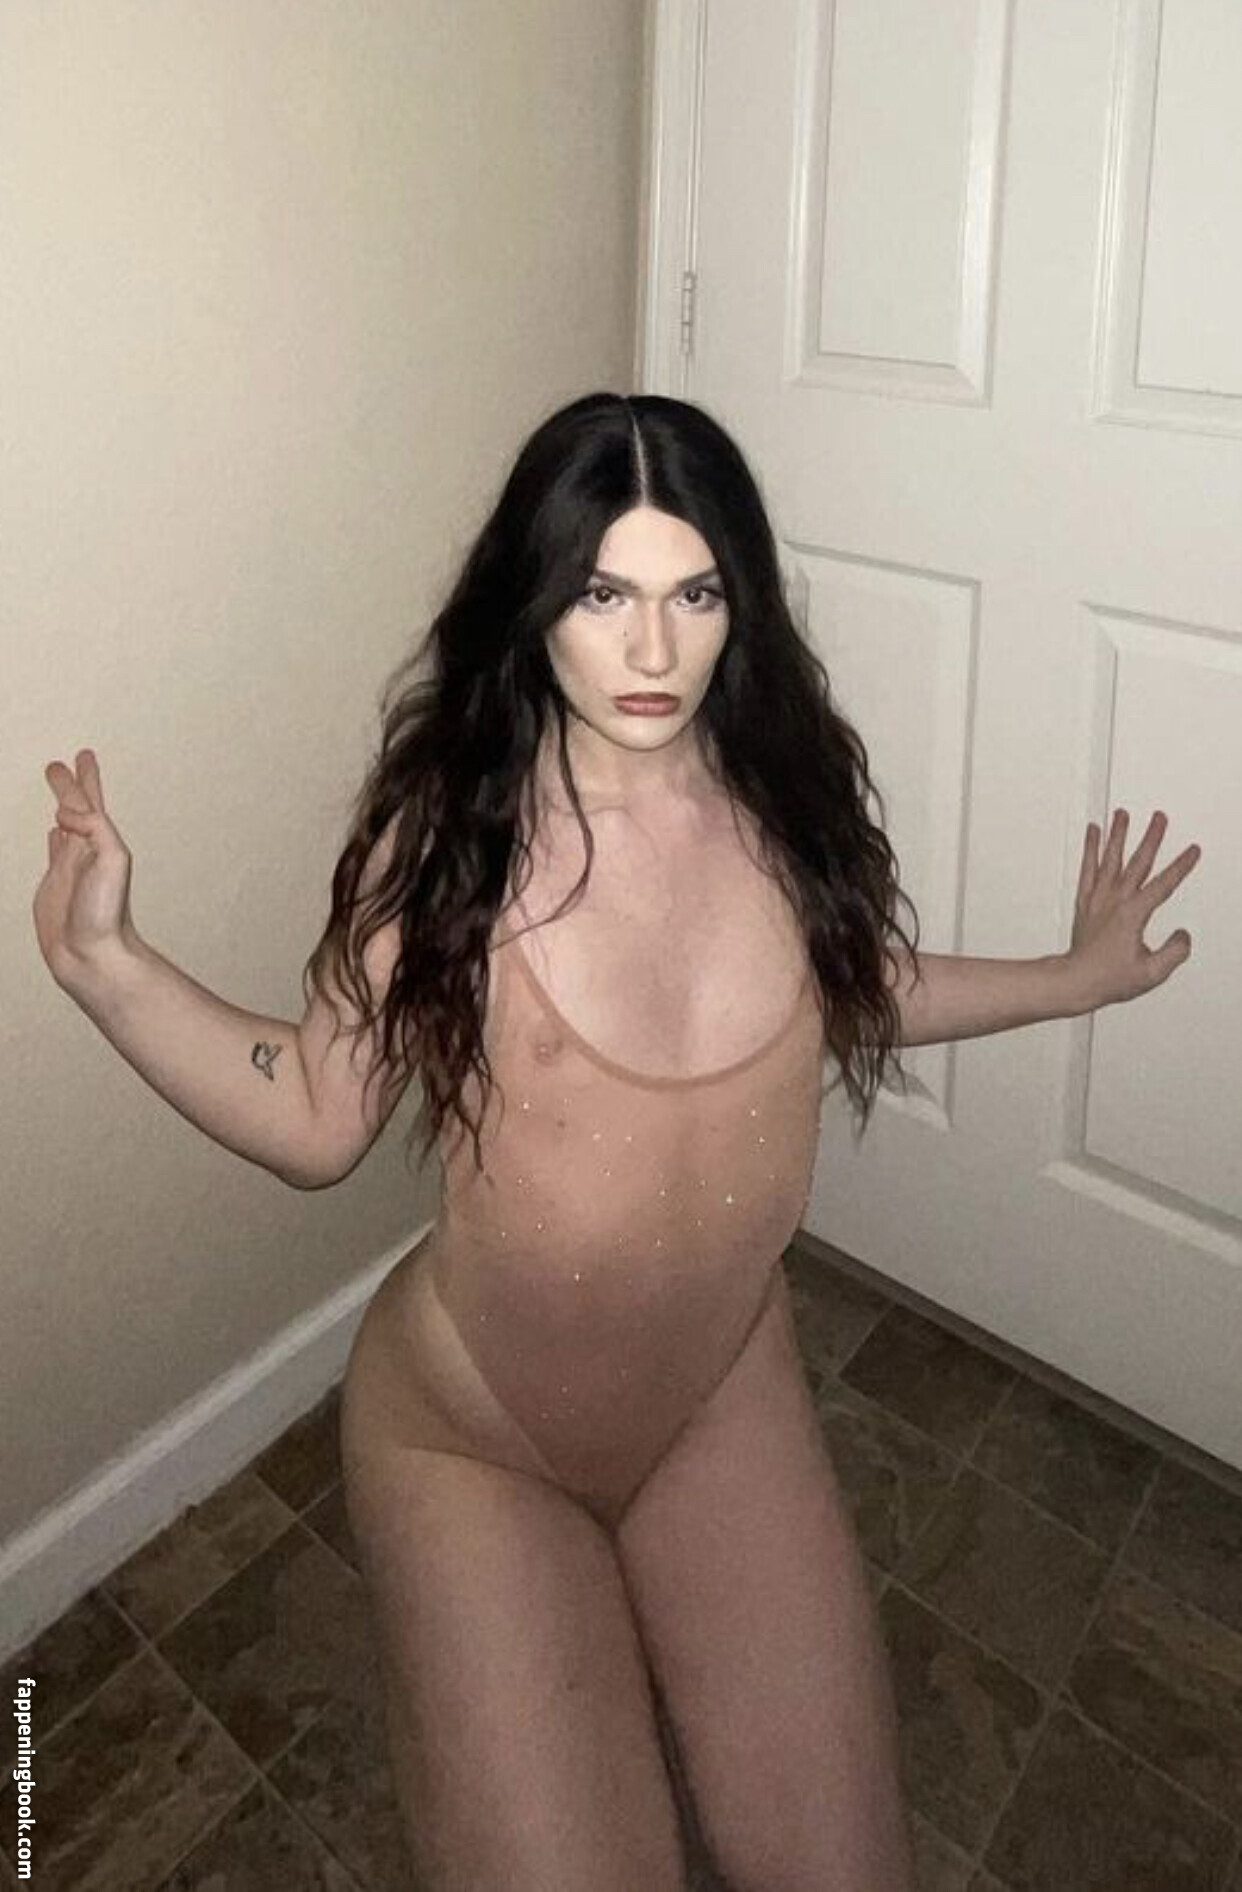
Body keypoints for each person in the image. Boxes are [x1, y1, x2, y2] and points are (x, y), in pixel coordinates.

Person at [35, 391, 1200, 1891]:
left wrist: (1068, 979)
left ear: (740, 606)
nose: (653, 651)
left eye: (694, 595)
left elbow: (851, 990)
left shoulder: (784, 802)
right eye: (603, 596)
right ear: (536, 605)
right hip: (475, 1441)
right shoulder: (449, 844)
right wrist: (109, 966)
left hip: (718, 1395)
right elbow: (317, 1114)